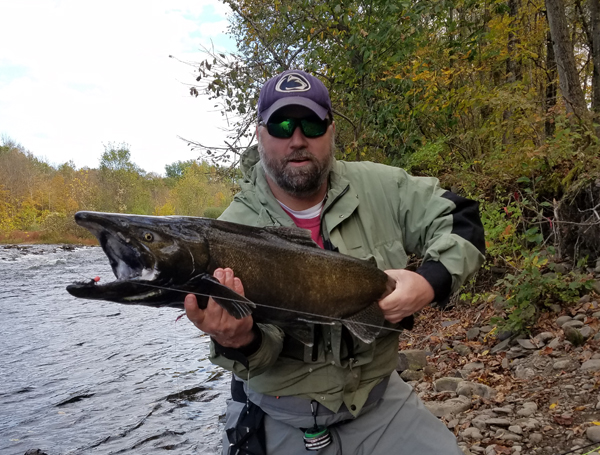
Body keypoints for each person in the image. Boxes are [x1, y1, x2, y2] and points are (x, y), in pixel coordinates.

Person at [184, 69, 486, 454]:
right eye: (281, 125)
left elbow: (462, 219)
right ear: (260, 134)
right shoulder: (229, 232)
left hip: (378, 403)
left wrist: (429, 281)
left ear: (330, 132)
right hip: (280, 416)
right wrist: (240, 339)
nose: (297, 139)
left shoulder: (384, 187)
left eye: (311, 123)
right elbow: (260, 355)